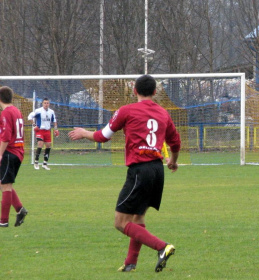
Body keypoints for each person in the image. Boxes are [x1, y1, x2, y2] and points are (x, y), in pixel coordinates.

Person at [68, 74, 180, 273]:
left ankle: (162, 247)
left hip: (140, 170)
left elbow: (103, 136)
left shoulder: (126, 111)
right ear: (155, 92)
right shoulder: (164, 113)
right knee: (138, 218)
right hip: (157, 170)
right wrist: (173, 160)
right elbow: (175, 142)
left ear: (134, 91)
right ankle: (130, 263)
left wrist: (84, 133)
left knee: (120, 222)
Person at [0, 86, 28, 228]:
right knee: (4, 183)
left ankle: (3, 221)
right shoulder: (16, 111)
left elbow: (5, 137)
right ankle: (20, 209)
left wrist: (0, 154)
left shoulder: (5, 113)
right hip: (18, 152)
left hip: (10, 153)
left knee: (5, 186)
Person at [27, 97, 59, 170]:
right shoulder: (38, 111)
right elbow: (29, 117)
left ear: (49, 104)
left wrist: (56, 129)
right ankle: (36, 162)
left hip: (47, 131)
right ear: (42, 103)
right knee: (40, 144)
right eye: (45, 103)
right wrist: (34, 125)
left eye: (47, 103)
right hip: (40, 130)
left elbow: (54, 120)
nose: (46, 104)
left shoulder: (51, 112)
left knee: (48, 146)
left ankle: (45, 164)